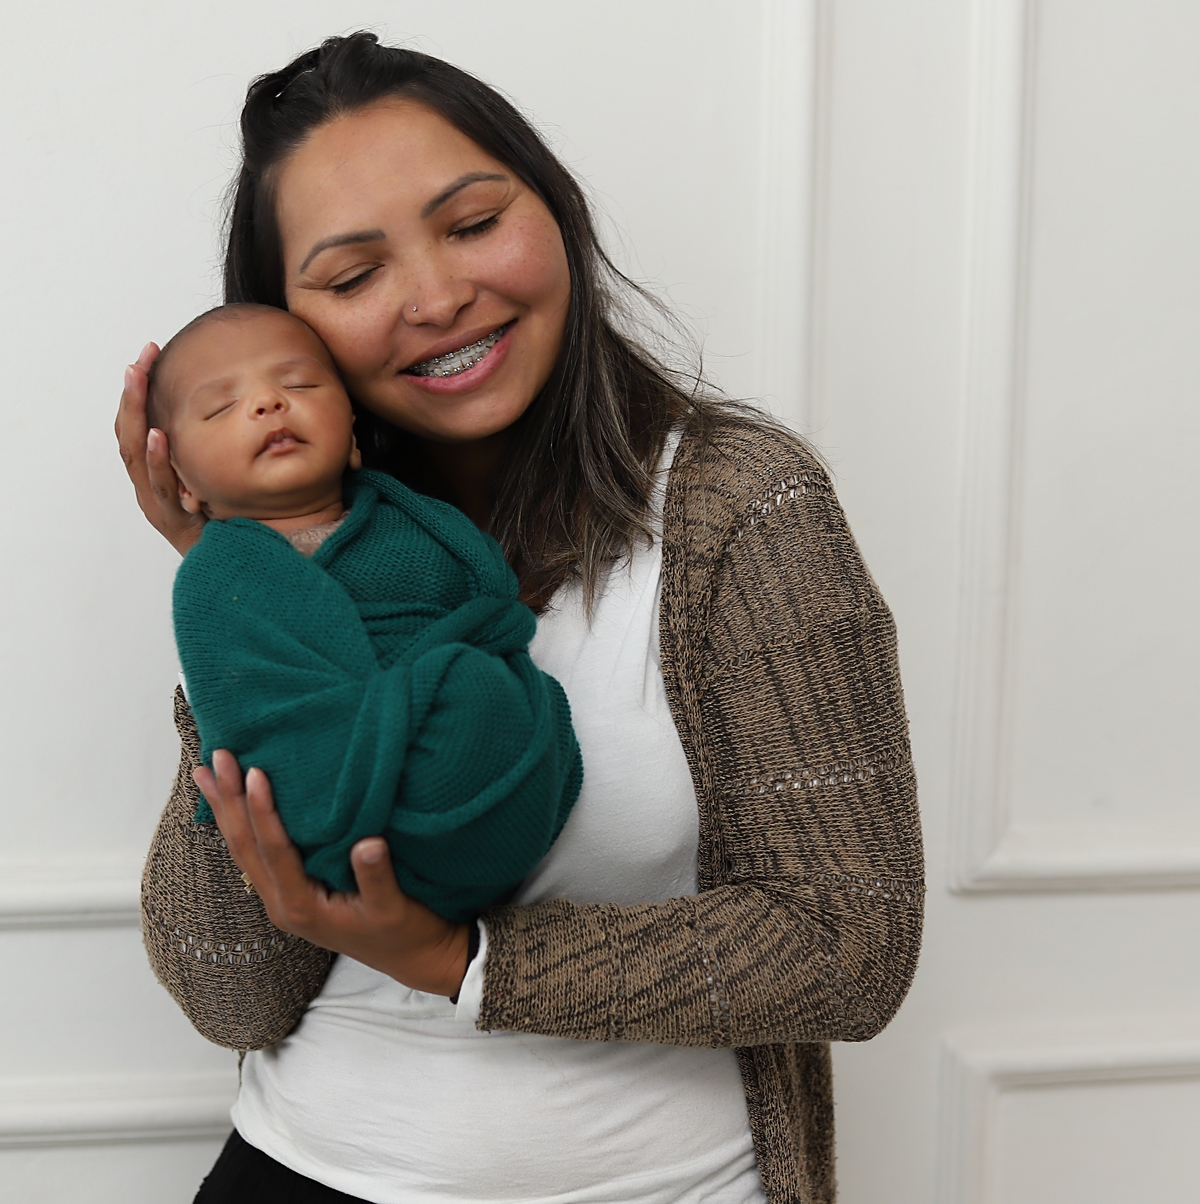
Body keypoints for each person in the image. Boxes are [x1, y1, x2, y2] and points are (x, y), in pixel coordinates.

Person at [117, 32, 924, 1204]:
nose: (438, 297)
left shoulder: (738, 507)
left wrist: (462, 962)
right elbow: (230, 992)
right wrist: (235, 583)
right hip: (297, 1170)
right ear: (283, 333)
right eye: (353, 276)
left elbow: (849, 944)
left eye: (474, 222)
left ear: (555, 208)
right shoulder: (275, 561)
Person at [153, 302, 581, 917]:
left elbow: (489, 618)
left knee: (486, 690)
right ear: (183, 484)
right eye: (221, 406)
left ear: (353, 436)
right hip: (346, 810)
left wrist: (460, 683)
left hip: (481, 764)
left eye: (300, 384)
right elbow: (251, 722)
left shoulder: (415, 522)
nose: (269, 403)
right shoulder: (212, 580)